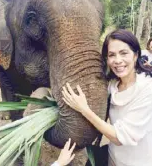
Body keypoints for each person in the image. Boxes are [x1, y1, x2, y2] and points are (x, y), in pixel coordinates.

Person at [62, 30, 152, 166]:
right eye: (111, 55)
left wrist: (84, 109)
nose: (117, 60)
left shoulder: (147, 88)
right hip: (114, 158)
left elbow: (120, 137)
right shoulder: (113, 84)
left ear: (135, 55)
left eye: (124, 53)